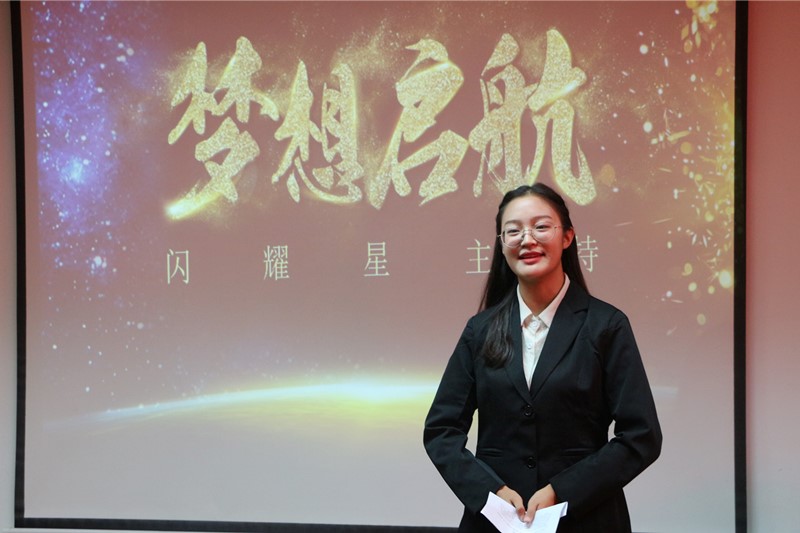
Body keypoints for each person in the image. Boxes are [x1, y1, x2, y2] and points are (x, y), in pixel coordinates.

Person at [424, 184, 662, 532]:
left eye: (540, 227)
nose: (527, 239)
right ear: (501, 243)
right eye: (513, 231)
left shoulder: (606, 326)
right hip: (498, 521)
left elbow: (641, 435)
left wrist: (561, 492)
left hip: (586, 518)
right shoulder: (481, 330)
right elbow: (441, 430)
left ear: (567, 237)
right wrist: (491, 491)